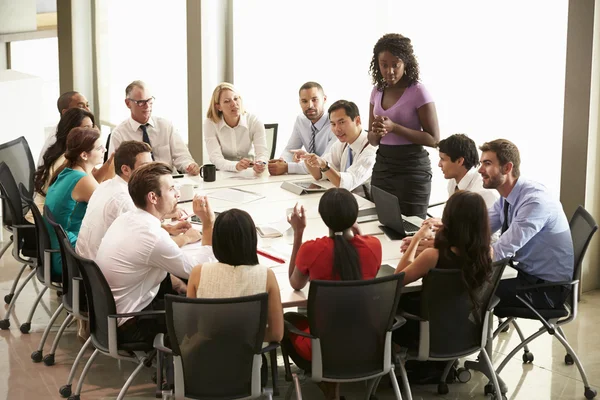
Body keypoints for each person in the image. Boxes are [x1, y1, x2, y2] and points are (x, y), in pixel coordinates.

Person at [95, 162, 215, 346]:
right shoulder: (152, 236)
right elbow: (200, 272)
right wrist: (208, 224)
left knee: (184, 289)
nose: (177, 194)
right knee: (211, 315)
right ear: (153, 197)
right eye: (171, 189)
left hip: (109, 316)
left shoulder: (127, 219)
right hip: (132, 322)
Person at [284, 188, 382, 400]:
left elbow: (295, 282)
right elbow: (364, 258)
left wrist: (298, 233)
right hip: (368, 343)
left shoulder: (312, 249)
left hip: (324, 347)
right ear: (355, 216)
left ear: (323, 217)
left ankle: (329, 387)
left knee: (287, 320)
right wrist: (358, 230)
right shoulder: (374, 246)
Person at [393, 191, 493, 382]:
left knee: (397, 302)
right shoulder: (487, 253)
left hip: (428, 333)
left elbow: (397, 279)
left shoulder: (434, 256)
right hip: (467, 330)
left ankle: (400, 365)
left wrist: (417, 238)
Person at [478, 139, 574, 309]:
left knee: (468, 290)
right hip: (525, 275)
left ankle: (472, 335)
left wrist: (451, 257)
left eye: (487, 163)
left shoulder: (534, 202)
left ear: (507, 168)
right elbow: (480, 229)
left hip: (545, 290)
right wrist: (441, 240)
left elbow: (500, 251)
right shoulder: (508, 196)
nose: (480, 170)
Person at [76, 141, 193, 261]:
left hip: (87, 264)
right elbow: (153, 246)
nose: (151, 171)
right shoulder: (125, 199)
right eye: (145, 166)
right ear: (126, 170)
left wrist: (168, 228)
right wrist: (187, 238)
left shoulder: (107, 185)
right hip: (100, 269)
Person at [368, 33, 440, 218]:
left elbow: (434, 139)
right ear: (377, 64)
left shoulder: (418, 91)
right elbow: (372, 141)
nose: (389, 71)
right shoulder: (377, 91)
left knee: (411, 231)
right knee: (383, 226)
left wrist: (395, 127)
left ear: (405, 63)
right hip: (383, 167)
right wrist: (377, 131)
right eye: (384, 64)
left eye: (395, 64)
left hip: (412, 171)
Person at [186, 208, 284, 343]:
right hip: (248, 362)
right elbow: (276, 335)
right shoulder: (266, 275)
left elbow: (189, 330)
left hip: (202, 358)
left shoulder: (198, 273)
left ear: (217, 241)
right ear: (251, 239)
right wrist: (245, 338)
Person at [400, 133, 499, 253]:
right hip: (457, 243)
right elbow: (456, 223)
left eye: (443, 159)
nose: (439, 164)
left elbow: (479, 235)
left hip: (476, 252)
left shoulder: (483, 191)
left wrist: (440, 242)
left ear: (459, 161)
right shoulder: (453, 182)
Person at [44, 127, 106, 278]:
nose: (104, 149)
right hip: (70, 258)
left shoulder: (67, 172)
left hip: (61, 252)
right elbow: (112, 210)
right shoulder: (82, 180)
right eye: (99, 148)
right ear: (84, 155)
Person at [109, 80, 200, 175]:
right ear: (128, 103)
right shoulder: (119, 134)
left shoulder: (165, 126)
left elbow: (182, 156)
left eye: (149, 101)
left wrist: (189, 166)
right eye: (141, 102)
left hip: (169, 180)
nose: (147, 106)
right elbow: (115, 171)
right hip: (138, 185)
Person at [29, 108, 97, 223]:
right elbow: (98, 196)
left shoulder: (64, 151)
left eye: (92, 127)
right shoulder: (67, 161)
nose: (92, 133)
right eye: (86, 128)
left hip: (47, 219)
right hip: (43, 223)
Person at [302, 100, 376, 196]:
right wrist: (307, 158)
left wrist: (324, 165)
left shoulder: (371, 149)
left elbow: (347, 184)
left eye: (341, 122)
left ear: (357, 121)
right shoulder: (343, 143)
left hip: (366, 205)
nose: (337, 129)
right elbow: (320, 175)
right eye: (333, 124)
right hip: (345, 201)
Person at [268, 81, 335, 175]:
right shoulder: (301, 120)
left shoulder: (335, 123)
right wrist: (282, 162)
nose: (309, 105)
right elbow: (290, 150)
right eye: (304, 101)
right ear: (299, 102)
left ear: (324, 99)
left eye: (314, 100)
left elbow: (324, 163)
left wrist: (287, 167)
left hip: (331, 178)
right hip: (311, 178)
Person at [203, 82, 268, 173]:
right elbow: (215, 158)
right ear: (218, 107)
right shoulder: (210, 123)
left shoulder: (254, 121)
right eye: (227, 101)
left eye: (236, 99)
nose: (234, 104)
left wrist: (261, 163)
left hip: (250, 172)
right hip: (223, 173)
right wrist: (235, 166)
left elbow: (262, 153)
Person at [37, 91, 91, 166]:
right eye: (81, 106)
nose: (88, 110)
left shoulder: (69, 130)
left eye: (87, 105)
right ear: (66, 112)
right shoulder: (62, 139)